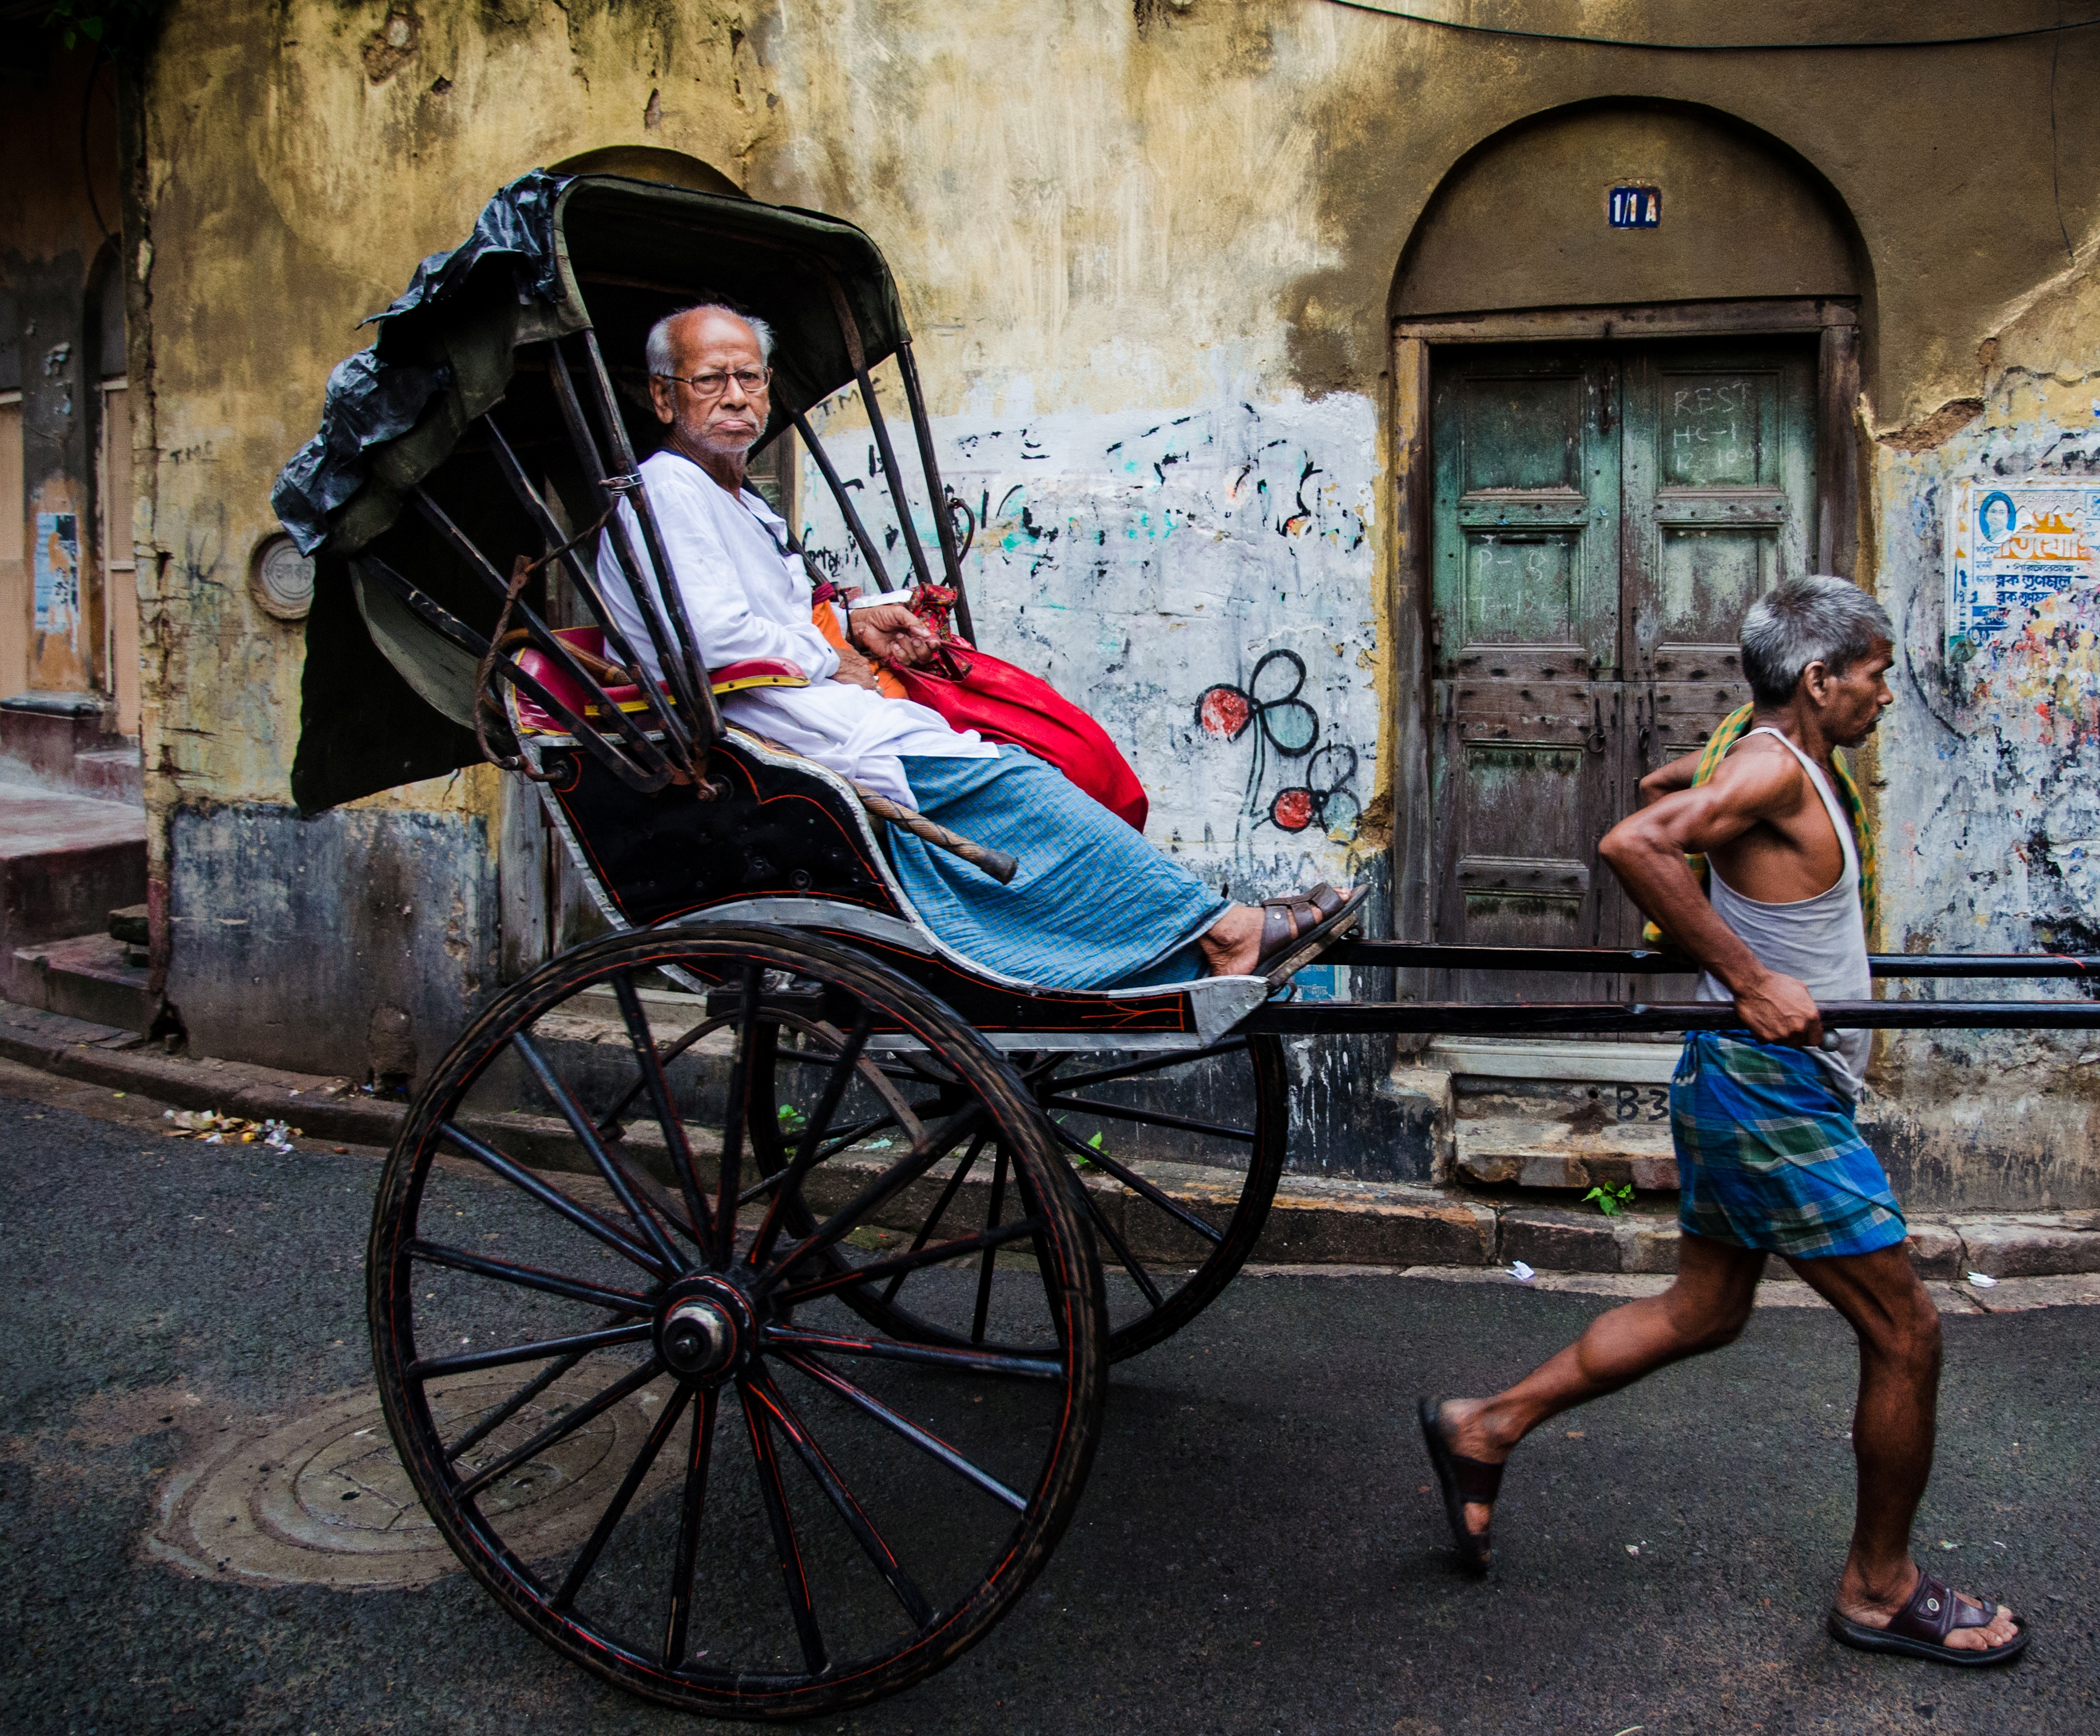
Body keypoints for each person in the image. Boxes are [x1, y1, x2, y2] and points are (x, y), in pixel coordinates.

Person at [1416, 574, 2027, 1668]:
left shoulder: (1760, 750)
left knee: (1703, 1311)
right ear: (1819, 678)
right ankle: (1880, 1589)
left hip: (1743, 1082)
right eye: (1876, 676)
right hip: (1765, 1092)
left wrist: (1703, 785)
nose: (1887, 695)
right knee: (1906, 1332)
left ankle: (1485, 1425)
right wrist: (1748, 978)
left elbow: (1682, 782)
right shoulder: (1763, 763)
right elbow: (1634, 842)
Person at [594, 303, 1353, 988]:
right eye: (710, 380)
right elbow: (715, 638)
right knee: (1019, 788)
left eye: (750, 378)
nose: (736, 396)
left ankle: (1179, 934)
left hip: (814, 708)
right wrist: (835, 655)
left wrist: (854, 619)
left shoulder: (731, 495)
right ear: (664, 395)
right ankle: (1222, 931)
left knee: (1036, 757)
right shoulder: (666, 489)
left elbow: (782, 608)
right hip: (768, 727)